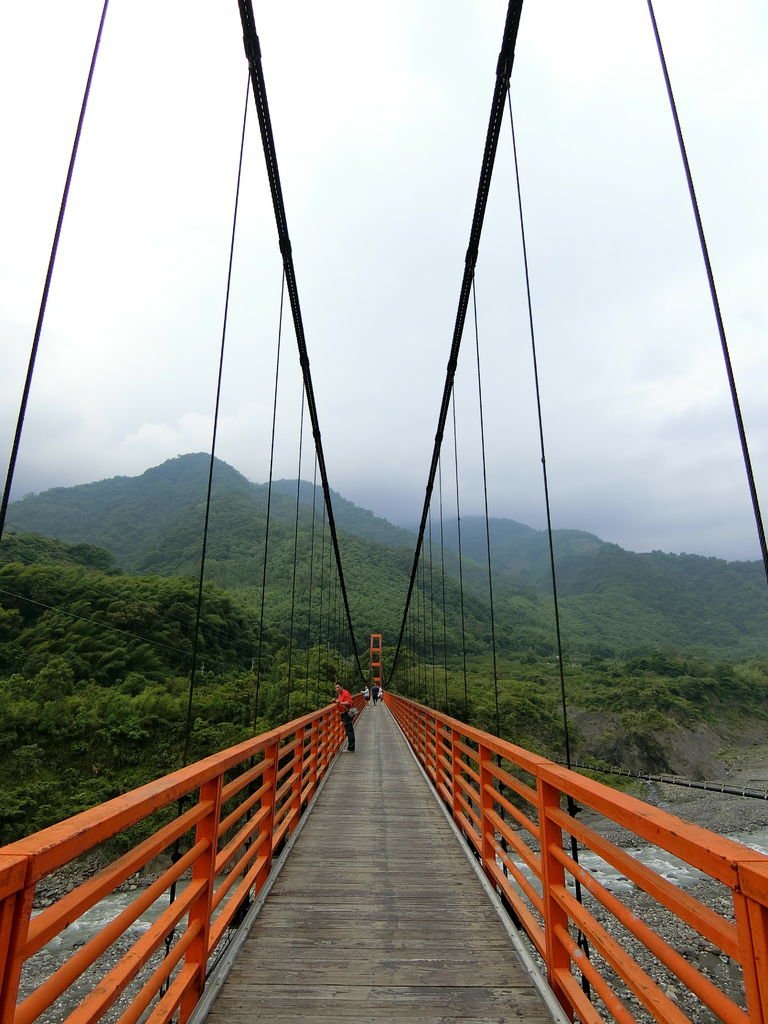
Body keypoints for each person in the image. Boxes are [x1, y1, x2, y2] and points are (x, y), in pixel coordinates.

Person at [334, 682, 355, 752]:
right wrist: (336, 701)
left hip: (347, 714)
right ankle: (351, 747)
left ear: (342, 687)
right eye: (336, 687)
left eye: (338, 687)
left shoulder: (345, 693)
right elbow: (340, 701)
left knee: (349, 731)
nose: (337, 689)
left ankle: (351, 748)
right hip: (343, 714)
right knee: (348, 731)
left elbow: (349, 703)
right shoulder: (340, 694)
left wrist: (340, 703)